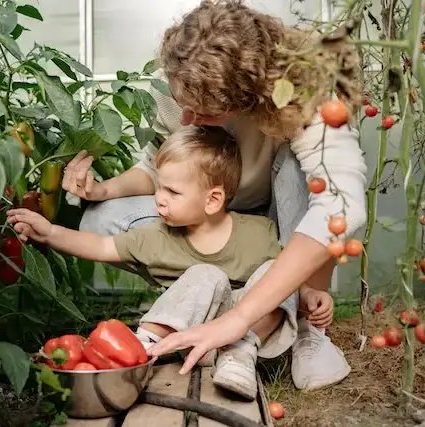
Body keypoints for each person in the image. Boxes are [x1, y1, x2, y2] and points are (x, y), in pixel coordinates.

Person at [63, 0, 367, 390]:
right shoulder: (181, 81)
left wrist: (236, 321)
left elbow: (340, 205)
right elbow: (159, 167)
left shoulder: (307, 90)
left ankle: (303, 322)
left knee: (304, 172)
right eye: (182, 106)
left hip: (277, 223)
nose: (187, 122)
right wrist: (101, 190)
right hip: (208, 221)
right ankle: (216, 299)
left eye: (204, 113)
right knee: (101, 217)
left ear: (249, 96)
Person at [7, 126, 333, 400]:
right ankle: (143, 348)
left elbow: (289, 275)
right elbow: (101, 244)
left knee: (273, 271)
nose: (158, 198)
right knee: (205, 274)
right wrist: (50, 232)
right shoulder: (158, 236)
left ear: (213, 200)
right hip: (191, 329)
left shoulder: (258, 233)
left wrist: (308, 294)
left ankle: (238, 355)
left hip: (246, 328)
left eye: (171, 191)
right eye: (159, 186)